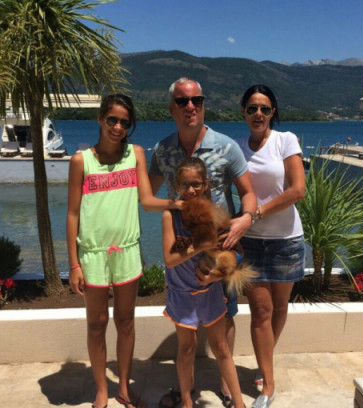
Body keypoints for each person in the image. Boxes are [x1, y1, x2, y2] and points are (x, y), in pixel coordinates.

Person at [66, 94, 181, 408]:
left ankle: (125, 390)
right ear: (100, 119)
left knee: (126, 321)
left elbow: (146, 200)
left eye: (125, 123)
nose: (118, 127)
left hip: (127, 250)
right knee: (96, 323)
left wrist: (178, 203)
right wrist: (74, 264)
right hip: (92, 254)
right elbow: (73, 214)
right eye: (112, 120)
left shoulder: (136, 154)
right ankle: (101, 389)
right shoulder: (81, 161)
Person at [149, 77, 257, 408]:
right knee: (187, 336)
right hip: (184, 253)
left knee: (226, 318)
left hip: (220, 250)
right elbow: (147, 194)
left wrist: (245, 219)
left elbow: (248, 193)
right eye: (183, 101)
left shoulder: (227, 147)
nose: (191, 106)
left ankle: (227, 389)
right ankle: (187, 391)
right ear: (172, 108)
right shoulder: (163, 150)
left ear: (204, 104)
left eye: (197, 100)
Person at [237, 84, 306, 408]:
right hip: (251, 242)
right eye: (252, 108)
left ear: (272, 112)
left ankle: (265, 363)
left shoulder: (285, 140)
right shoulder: (238, 149)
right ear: (243, 112)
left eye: (264, 108)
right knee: (260, 311)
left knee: (279, 308)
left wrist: (257, 213)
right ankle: (268, 385)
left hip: (286, 241)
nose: (258, 113)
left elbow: (298, 190)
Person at [161, 157, 245, 408]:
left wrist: (216, 276)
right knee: (186, 349)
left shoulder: (215, 213)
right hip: (182, 294)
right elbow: (170, 259)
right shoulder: (170, 216)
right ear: (177, 186)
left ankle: (239, 402)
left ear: (206, 184)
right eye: (185, 185)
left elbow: (237, 253)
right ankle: (187, 401)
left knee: (221, 348)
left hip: (209, 290)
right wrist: (201, 246)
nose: (191, 190)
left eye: (196, 184)